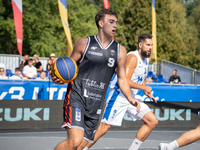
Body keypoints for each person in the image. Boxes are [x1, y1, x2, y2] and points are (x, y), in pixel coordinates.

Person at [52, 8, 140, 150]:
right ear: (100, 23)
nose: (115, 26)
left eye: (116, 22)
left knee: (81, 146)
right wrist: (59, 77)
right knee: (74, 141)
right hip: (77, 97)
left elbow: (122, 78)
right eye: (111, 22)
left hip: (96, 103)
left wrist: (129, 97)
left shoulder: (120, 51)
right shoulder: (84, 44)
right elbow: (67, 68)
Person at [82, 33, 158, 150]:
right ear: (140, 45)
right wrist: (143, 88)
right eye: (148, 45)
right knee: (104, 128)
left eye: (151, 45)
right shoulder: (133, 57)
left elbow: (140, 78)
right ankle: (82, 149)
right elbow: (125, 80)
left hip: (132, 97)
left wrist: (145, 90)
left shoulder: (146, 60)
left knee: (152, 121)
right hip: (119, 95)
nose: (150, 47)